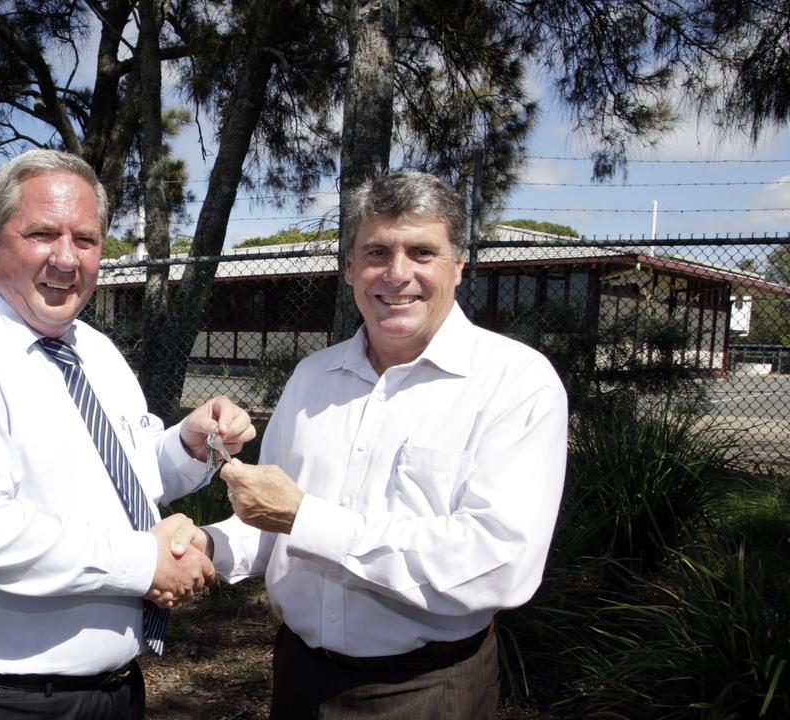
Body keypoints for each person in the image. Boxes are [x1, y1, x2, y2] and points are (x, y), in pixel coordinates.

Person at [0, 148, 255, 720]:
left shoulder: (96, 351)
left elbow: (131, 477)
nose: (65, 258)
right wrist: (142, 562)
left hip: (112, 691)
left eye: (85, 239)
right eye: (41, 234)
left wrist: (190, 442)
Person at [204, 171, 569, 719]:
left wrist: (308, 518)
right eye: (377, 252)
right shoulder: (312, 377)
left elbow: (497, 565)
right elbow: (269, 520)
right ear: (349, 267)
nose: (398, 274)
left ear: (459, 266)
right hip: (298, 677)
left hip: (427, 690)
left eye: (422, 251)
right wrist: (203, 549)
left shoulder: (516, 383)